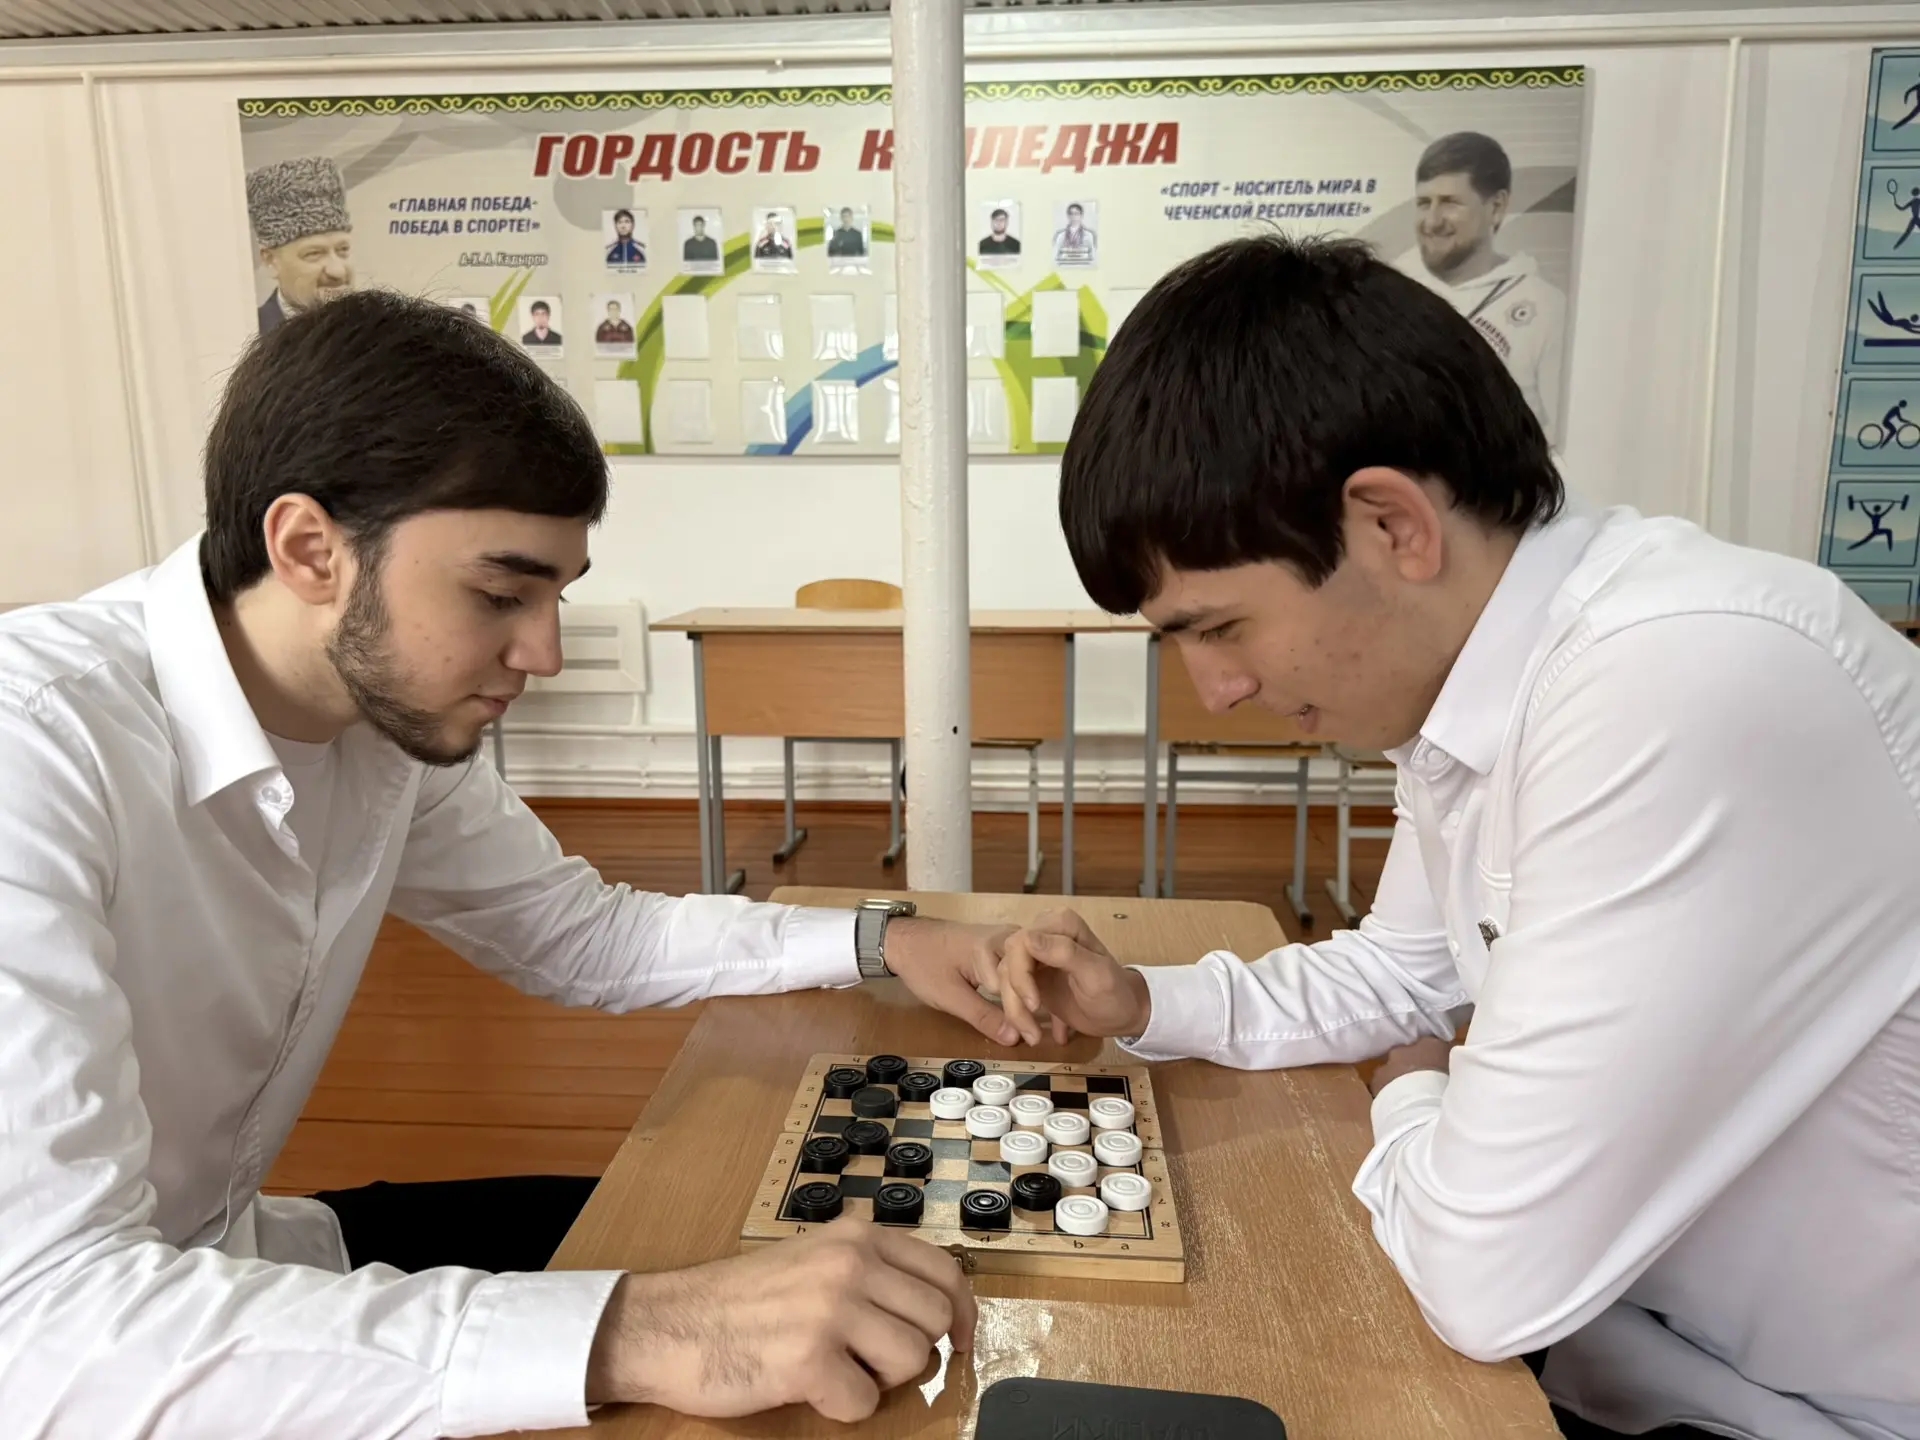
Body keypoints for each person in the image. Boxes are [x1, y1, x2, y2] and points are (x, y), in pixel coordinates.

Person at [0, 289, 1030, 1437]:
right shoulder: (33, 746)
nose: (542, 651)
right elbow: (41, 1329)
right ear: (309, 550)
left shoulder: (378, 723)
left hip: (249, 1263)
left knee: (760, 1239)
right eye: (500, 594)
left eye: (554, 597)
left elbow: (585, 935)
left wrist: (884, 938)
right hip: (99, 1356)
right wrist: (651, 1332)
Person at [992, 234, 1920, 1440]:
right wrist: (1142, 1002)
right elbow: (1404, 972)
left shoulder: (1671, 680)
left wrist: (1416, 1090)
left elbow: (1486, 1277)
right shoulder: (1495, 680)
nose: (1215, 691)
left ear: (1391, 524)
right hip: (1631, 1351)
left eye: (1219, 628)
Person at [1393, 132, 1566, 442]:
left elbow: (1565, 443)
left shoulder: (1548, 310)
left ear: (1496, 207)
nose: (1432, 221)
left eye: (1450, 203)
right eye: (1423, 203)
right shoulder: (1391, 295)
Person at [245, 155, 355, 334]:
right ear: (271, 261)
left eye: (343, 250)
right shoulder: (247, 336)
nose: (337, 271)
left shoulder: (380, 335)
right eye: (314, 254)